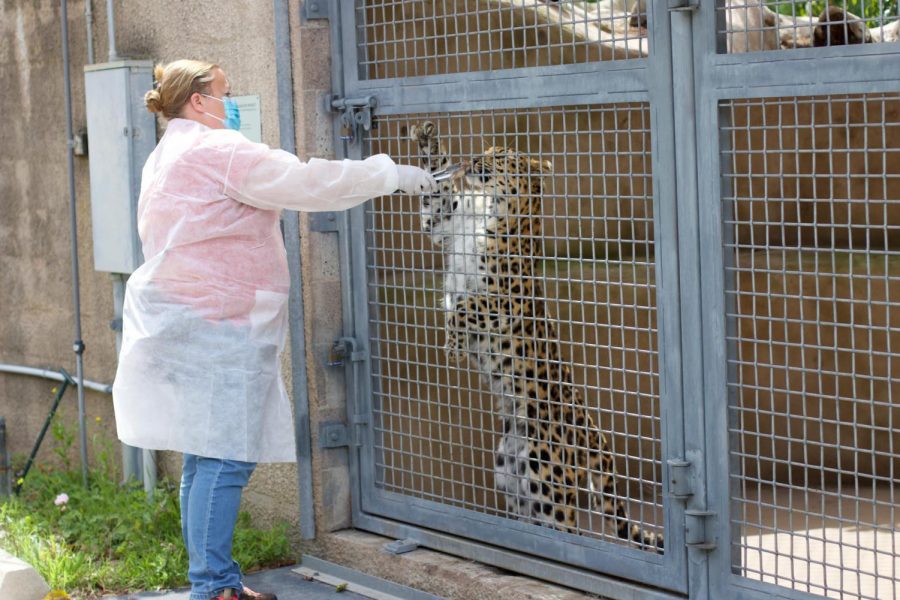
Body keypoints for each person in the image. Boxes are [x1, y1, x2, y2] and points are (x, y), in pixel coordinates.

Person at [111, 59, 436, 600]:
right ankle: (213, 587)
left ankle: (215, 580)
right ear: (197, 101)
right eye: (226, 92)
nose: (231, 102)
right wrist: (392, 176)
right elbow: (307, 181)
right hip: (218, 329)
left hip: (191, 323)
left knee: (204, 456)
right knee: (227, 457)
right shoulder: (218, 151)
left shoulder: (167, 153)